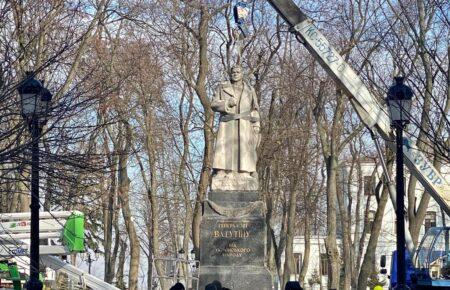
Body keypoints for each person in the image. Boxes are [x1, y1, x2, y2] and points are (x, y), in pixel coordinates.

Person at [211, 65, 261, 178]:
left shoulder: (249, 89)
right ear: (230, 73)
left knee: (244, 149)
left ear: (242, 74)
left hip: (244, 123)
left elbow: (255, 108)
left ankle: (244, 172)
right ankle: (222, 171)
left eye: (238, 72)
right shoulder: (222, 87)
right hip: (227, 122)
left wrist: (256, 124)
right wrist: (227, 103)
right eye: (233, 72)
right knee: (224, 147)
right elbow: (213, 104)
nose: (235, 74)